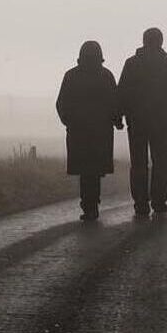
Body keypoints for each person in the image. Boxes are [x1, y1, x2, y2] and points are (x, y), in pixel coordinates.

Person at [117, 27, 167, 216]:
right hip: (163, 122)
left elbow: (122, 92)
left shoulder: (132, 64)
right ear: (161, 42)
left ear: (144, 41)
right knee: (161, 163)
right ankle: (159, 202)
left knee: (138, 164)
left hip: (137, 122)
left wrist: (120, 115)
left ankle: (140, 204)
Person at [56, 41, 123, 221]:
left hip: (79, 132)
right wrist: (117, 121)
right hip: (101, 132)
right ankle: (92, 203)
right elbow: (115, 102)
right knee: (95, 171)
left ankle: (88, 205)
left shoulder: (71, 76)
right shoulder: (106, 76)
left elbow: (61, 103)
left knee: (85, 171)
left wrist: (69, 121)